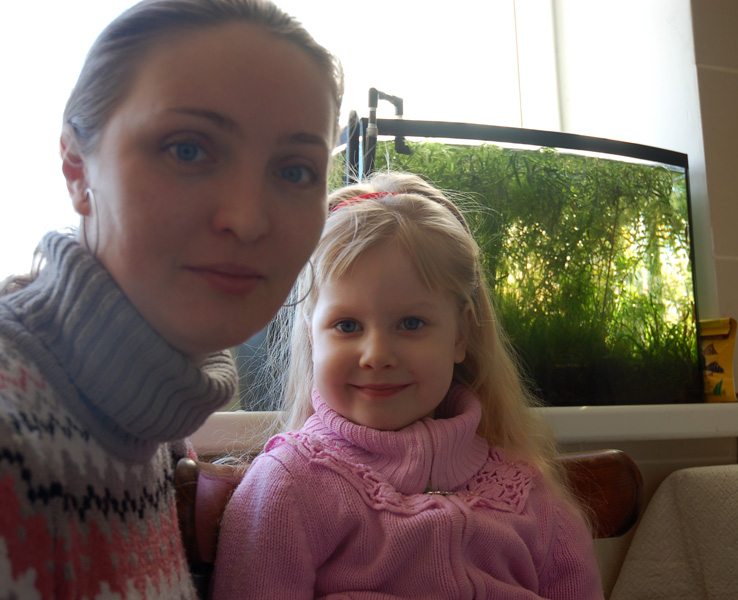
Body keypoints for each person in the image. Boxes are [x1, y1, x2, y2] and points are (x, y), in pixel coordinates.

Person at [0, 0, 342, 598]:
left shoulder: (155, 426)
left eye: (294, 171)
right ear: (77, 168)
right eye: (187, 149)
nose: (246, 219)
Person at [212, 172, 605, 599]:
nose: (376, 355)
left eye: (411, 323)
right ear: (311, 336)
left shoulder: (531, 495)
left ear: (460, 335)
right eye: (347, 325)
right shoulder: (288, 486)